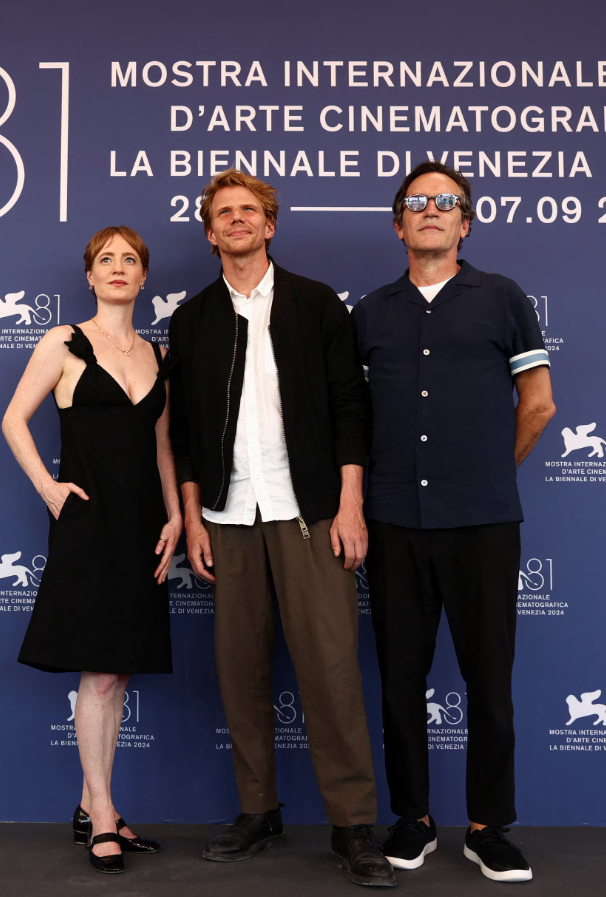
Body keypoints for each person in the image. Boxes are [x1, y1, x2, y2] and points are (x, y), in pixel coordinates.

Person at [167, 169, 395, 888]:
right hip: (227, 519)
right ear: (209, 233)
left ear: (269, 226)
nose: (236, 220)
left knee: (330, 670)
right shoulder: (194, 317)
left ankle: (353, 825)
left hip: (310, 513)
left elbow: (350, 410)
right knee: (239, 672)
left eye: (249, 211)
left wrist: (350, 504)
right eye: (222, 213)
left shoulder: (316, 304)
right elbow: (190, 430)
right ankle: (257, 808)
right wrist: (196, 514)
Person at [352, 160, 556, 883]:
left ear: (464, 222)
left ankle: (486, 826)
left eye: (447, 202)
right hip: (394, 522)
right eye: (417, 202)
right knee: (400, 679)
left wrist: (489, 474)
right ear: (399, 223)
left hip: (483, 522)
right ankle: (412, 818)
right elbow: (356, 420)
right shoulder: (370, 312)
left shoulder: (501, 297)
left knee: (487, 678)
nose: (431, 210)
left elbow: (536, 402)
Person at [3, 226, 182, 875]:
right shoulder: (63, 341)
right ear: (89, 275)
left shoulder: (157, 355)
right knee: (100, 672)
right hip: (88, 521)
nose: (116, 267)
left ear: (142, 276)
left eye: (128, 259)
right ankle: (103, 812)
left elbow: (162, 446)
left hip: (142, 526)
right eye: (105, 259)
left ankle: (90, 807)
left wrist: (174, 517)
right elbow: (12, 418)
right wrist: (47, 487)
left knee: (120, 670)